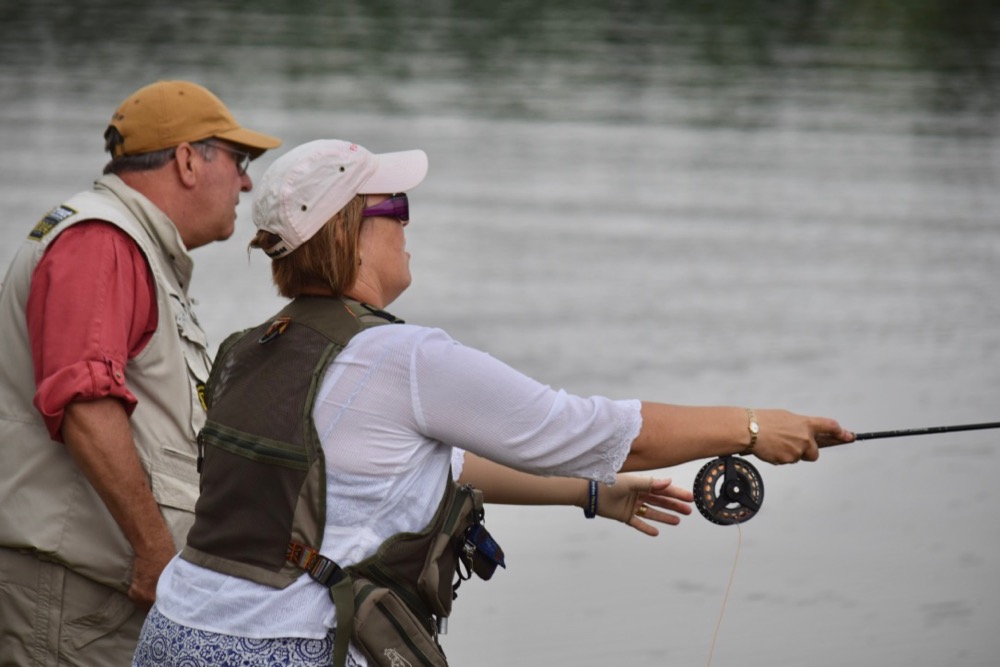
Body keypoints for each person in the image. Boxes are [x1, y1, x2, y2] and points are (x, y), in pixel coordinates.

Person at [132, 139, 855, 667]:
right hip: (283, 650)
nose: (408, 224)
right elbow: (597, 431)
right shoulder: (403, 356)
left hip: (174, 634)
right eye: (396, 206)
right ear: (351, 232)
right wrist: (754, 427)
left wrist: (592, 494)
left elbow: (410, 470)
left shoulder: (248, 347)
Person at [0, 80, 281, 665]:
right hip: (74, 602)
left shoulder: (123, 243)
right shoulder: (101, 239)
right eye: (239, 160)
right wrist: (156, 553)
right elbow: (83, 403)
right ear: (185, 160)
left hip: (94, 596)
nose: (247, 181)